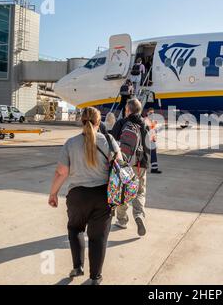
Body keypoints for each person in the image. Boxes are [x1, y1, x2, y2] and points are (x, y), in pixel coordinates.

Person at [48, 107, 122, 285]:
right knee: (98, 238)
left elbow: (62, 172)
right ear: (99, 122)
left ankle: (77, 266)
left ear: (82, 121)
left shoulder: (70, 143)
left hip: (77, 196)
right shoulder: (109, 140)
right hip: (103, 196)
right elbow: (120, 164)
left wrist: (53, 193)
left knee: (75, 229)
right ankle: (95, 277)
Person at [111, 98, 150, 236]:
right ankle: (139, 215)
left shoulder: (122, 122)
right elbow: (148, 147)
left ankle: (122, 220)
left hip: (125, 164)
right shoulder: (145, 124)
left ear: (127, 110)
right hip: (140, 164)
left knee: (124, 191)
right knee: (140, 192)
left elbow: (111, 142)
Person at [145, 108, 162, 174]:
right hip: (147, 140)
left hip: (152, 140)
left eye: (153, 113)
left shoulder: (152, 121)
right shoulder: (146, 120)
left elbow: (154, 130)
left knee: (153, 154)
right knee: (148, 154)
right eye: (150, 113)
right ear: (147, 113)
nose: (152, 114)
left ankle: (154, 169)